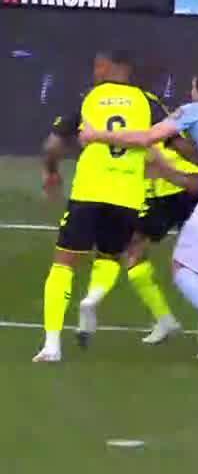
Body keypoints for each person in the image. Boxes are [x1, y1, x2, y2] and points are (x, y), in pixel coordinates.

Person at [80, 65, 198, 363]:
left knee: (183, 268)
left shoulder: (195, 110)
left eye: (193, 87)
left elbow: (147, 137)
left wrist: (96, 135)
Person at [33, 51, 165, 363]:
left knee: (64, 264)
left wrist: (51, 171)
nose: (95, 71)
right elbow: (168, 140)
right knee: (110, 256)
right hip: (127, 194)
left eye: (98, 65)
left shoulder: (89, 98)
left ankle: (52, 344)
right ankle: (92, 298)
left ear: (113, 67)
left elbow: (53, 144)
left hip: (88, 190)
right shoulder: (149, 102)